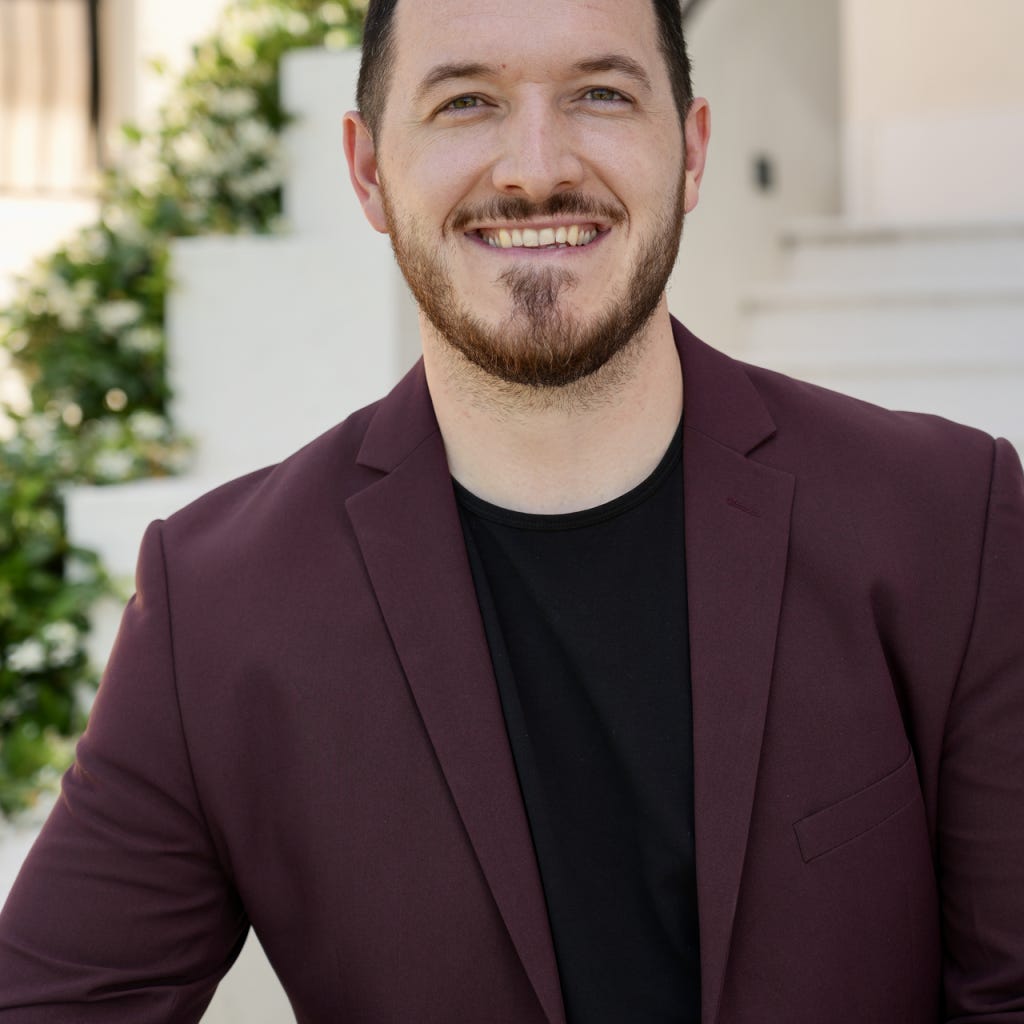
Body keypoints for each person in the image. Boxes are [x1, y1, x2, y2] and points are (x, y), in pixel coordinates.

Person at [2, 0, 1023, 1020]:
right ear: (368, 169)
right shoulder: (218, 606)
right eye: (465, 102)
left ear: (692, 151)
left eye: (600, 94)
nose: (536, 169)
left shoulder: (946, 521)